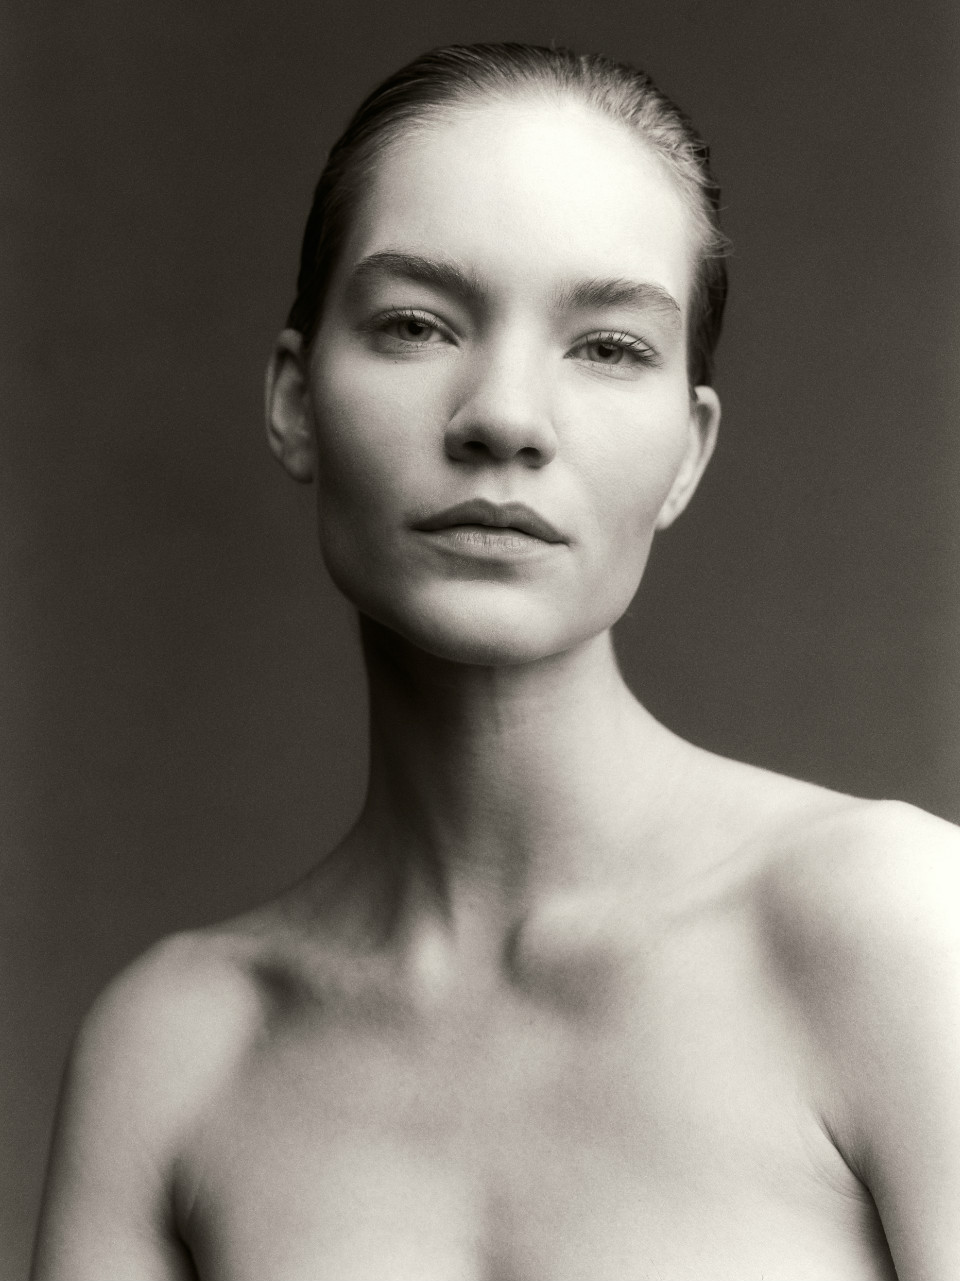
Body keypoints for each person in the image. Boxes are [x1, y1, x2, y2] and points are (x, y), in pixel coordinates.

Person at [31, 42, 960, 1281]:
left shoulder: (898, 928)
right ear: (296, 402)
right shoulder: (174, 1057)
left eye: (609, 346)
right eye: (417, 325)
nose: (505, 417)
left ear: (688, 454)